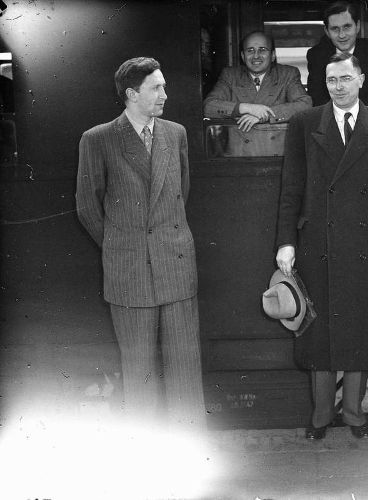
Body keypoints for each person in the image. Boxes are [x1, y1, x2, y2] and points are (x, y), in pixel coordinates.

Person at [275, 53, 368, 440]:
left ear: (361, 80)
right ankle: (320, 415)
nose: (338, 86)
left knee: (361, 330)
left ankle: (353, 414)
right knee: (320, 332)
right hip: (319, 243)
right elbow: (291, 188)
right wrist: (286, 242)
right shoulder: (304, 123)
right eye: (332, 80)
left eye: (346, 78)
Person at [76, 57, 206, 431]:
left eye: (164, 86)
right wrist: (121, 245)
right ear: (132, 94)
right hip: (129, 271)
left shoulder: (175, 134)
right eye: (156, 87)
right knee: (139, 372)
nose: (165, 94)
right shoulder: (98, 139)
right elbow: (87, 206)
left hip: (176, 265)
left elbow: (180, 193)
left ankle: (190, 446)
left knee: (185, 371)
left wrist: (162, 238)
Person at [203, 30, 311, 132]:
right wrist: (247, 108)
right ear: (243, 56)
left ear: (273, 55)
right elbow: (209, 107)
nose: (256, 56)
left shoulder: (287, 74)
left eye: (262, 50)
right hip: (239, 143)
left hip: (274, 144)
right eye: (250, 50)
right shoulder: (230, 75)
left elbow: (305, 105)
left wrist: (265, 114)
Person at [306, 1, 368, 111]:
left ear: (357, 26)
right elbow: (318, 100)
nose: (342, 35)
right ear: (327, 31)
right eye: (335, 29)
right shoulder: (316, 56)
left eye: (347, 27)